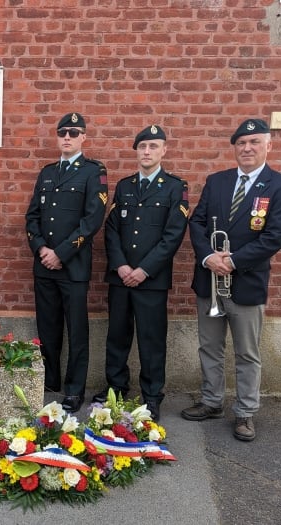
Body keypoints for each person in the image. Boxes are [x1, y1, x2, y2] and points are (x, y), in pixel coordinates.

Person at [181, 118, 281, 442]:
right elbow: (198, 222)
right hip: (210, 281)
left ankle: (245, 412)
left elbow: (275, 237)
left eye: (254, 142)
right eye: (241, 143)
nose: (247, 148)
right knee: (209, 347)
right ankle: (212, 401)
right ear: (235, 147)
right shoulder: (217, 181)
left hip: (246, 284)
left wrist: (231, 261)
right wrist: (208, 257)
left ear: (268, 146)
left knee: (247, 353)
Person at [94, 125, 189, 421]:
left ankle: (151, 397)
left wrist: (143, 270)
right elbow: (112, 230)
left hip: (151, 280)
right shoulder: (124, 186)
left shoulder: (175, 187)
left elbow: (173, 235)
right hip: (121, 278)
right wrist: (121, 265)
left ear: (164, 151)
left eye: (153, 146)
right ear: (136, 150)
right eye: (142, 147)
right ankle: (116, 389)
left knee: (151, 339)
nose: (147, 152)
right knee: (117, 336)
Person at [25, 112, 108, 413]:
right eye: (63, 133)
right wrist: (41, 249)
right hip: (44, 266)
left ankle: (74, 390)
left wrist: (60, 252)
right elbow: (32, 216)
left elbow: (92, 220)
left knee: (76, 330)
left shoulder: (93, 172)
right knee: (47, 328)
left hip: (72, 267)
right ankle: (51, 381)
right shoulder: (47, 173)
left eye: (74, 133)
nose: (68, 138)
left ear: (84, 137)